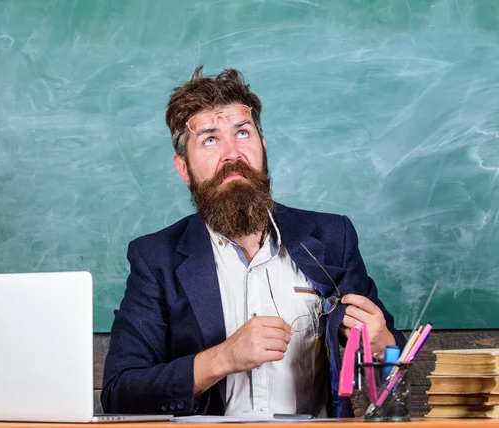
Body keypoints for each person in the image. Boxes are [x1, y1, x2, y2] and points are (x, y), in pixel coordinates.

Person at [101, 66, 406, 418]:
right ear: (184, 169)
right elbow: (120, 393)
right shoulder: (156, 258)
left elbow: (388, 362)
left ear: (262, 147)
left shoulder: (332, 238)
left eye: (242, 133)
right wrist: (223, 358)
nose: (233, 153)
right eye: (210, 140)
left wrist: (382, 344)